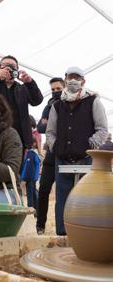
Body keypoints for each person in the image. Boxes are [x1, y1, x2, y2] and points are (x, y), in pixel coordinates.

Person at [46, 66, 108, 235]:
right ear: (65, 79)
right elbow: (50, 132)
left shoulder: (93, 101)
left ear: (83, 81)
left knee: (85, 200)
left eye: (77, 77)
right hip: (62, 159)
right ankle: (62, 234)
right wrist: (55, 146)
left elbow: (102, 129)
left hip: (86, 159)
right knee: (62, 199)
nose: (73, 80)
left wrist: (89, 145)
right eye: (70, 77)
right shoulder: (57, 105)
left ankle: (84, 235)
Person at [0, 55, 43, 149]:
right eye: (5, 65)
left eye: (13, 66)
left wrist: (30, 83)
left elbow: (37, 101)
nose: (9, 68)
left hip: (18, 139)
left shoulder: (22, 88)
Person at [36, 77, 65, 235]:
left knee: (62, 193)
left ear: (64, 87)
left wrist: (51, 123)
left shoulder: (70, 104)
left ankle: (62, 229)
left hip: (65, 156)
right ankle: (40, 226)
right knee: (43, 191)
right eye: (53, 89)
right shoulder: (48, 105)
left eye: (58, 88)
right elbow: (40, 127)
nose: (55, 92)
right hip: (50, 155)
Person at [20, 136, 40, 210]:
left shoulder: (31, 154)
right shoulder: (35, 153)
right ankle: (36, 211)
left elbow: (28, 168)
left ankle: (30, 211)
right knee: (34, 194)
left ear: (34, 143)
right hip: (33, 178)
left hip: (30, 178)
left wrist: (24, 179)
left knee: (30, 195)